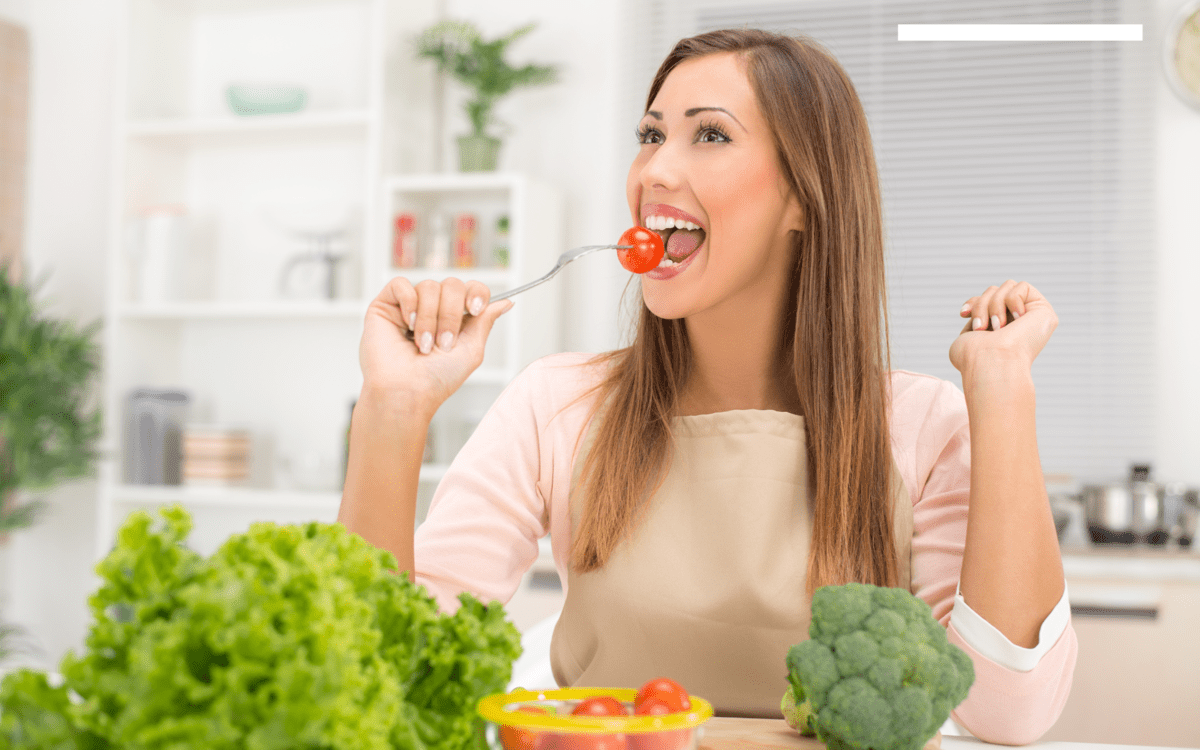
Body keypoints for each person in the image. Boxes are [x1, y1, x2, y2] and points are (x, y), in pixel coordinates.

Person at [339, 28, 1076, 744]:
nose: (654, 170)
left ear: (803, 196)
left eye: (710, 135)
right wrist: (392, 411)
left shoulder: (921, 424)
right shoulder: (554, 404)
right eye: (651, 135)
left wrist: (1003, 390)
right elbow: (380, 671)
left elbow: (1008, 712)